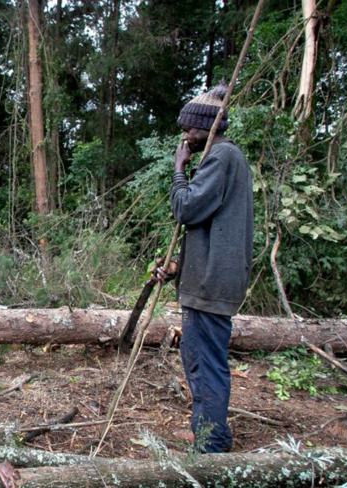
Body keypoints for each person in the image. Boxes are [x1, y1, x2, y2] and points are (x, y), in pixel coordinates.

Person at [153, 84, 254, 453]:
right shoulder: (224, 159)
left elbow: (187, 209)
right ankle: (207, 431)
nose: (186, 136)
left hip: (212, 286)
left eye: (190, 129)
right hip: (210, 278)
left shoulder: (221, 158)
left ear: (208, 127)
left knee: (205, 366)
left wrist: (179, 170)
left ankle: (211, 446)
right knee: (199, 362)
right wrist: (178, 266)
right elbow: (212, 229)